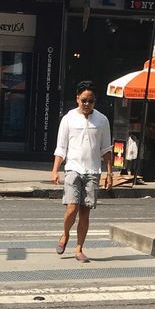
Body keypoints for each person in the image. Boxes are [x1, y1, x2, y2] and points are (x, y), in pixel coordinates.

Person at [50, 83, 112, 262]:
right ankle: (65, 233)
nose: (87, 104)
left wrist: (109, 173)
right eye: (84, 100)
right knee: (72, 208)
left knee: (85, 212)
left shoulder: (102, 120)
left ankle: (79, 249)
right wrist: (55, 170)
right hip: (73, 169)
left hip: (93, 171)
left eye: (91, 101)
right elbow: (61, 147)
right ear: (77, 98)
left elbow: (106, 149)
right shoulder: (68, 119)